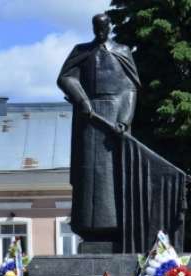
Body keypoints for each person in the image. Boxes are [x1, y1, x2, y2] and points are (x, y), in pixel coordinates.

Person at [57, 12, 140, 243]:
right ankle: (86, 225)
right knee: (89, 175)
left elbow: (130, 89)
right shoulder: (81, 51)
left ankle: (115, 224)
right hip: (89, 119)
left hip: (114, 119)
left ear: (109, 27)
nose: (99, 33)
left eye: (103, 28)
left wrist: (124, 120)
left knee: (113, 175)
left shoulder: (122, 52)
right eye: (96, 28)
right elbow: (65, 78)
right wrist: (82, 99)